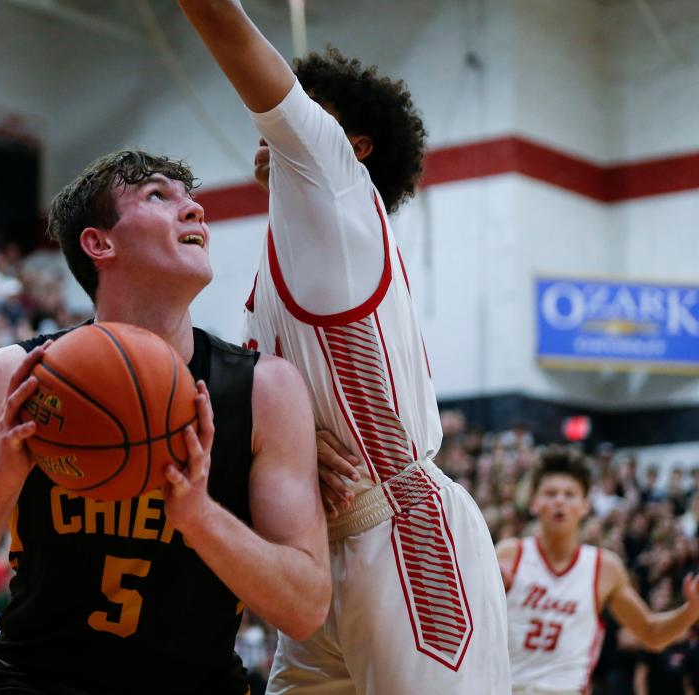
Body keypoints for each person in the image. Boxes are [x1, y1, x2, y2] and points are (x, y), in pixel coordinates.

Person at [0, 149, 331, 694]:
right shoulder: (18, 377)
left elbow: (306, 606)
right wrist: (3, 480)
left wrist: (199, 517)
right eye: (159, 196)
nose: (194, 209)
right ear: (98, 243)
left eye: (191, 197)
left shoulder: (264, 390)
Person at [176, 2, 510, 693]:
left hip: (405, 537)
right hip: (314, 553)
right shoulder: (278, 266)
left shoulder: (335, 181)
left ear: (354, 144)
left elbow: (219, 17)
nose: (274, 122)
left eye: (304, 107)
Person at [497, 449, 699, 695]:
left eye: (570, 495)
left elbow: (650, 634)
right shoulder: (510, 555)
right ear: (534, 503)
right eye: (550, 494)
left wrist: (691, 611)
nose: (560, 501)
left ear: (585, 506)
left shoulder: (604, 568)